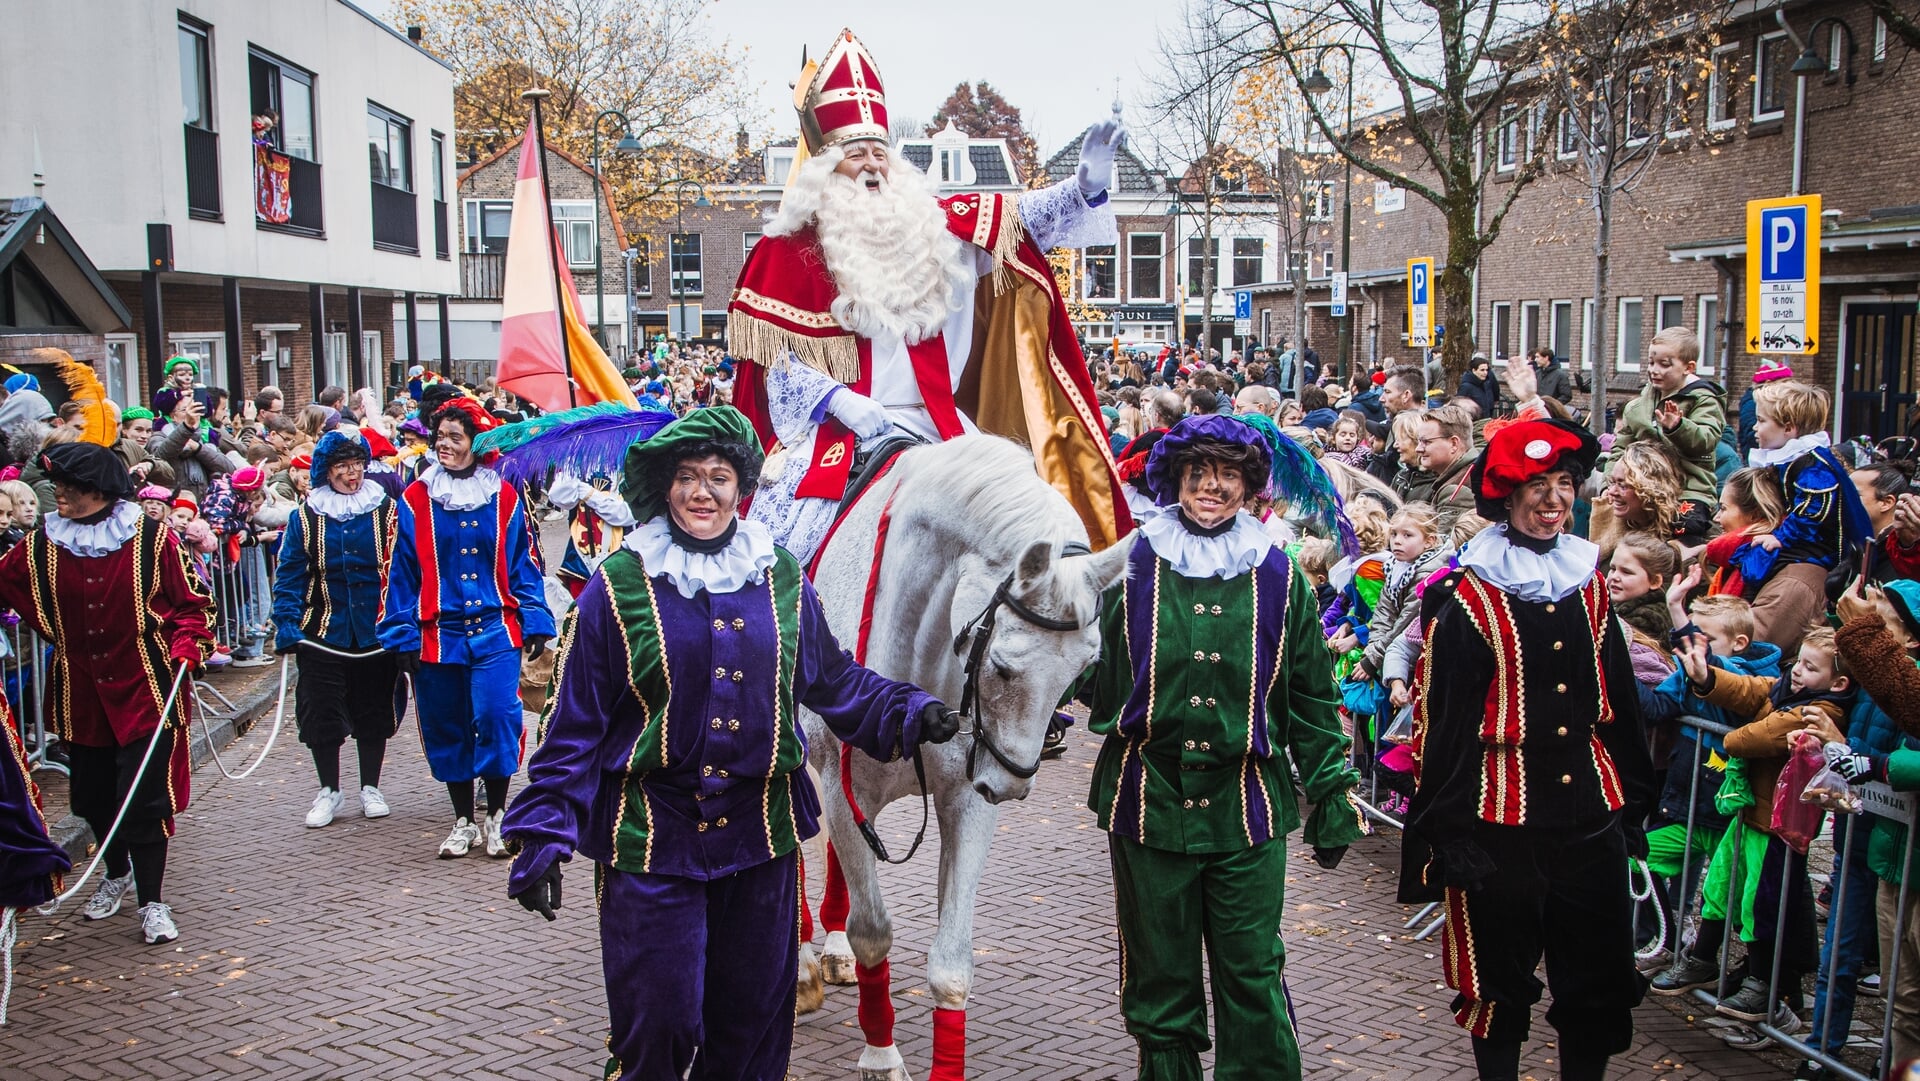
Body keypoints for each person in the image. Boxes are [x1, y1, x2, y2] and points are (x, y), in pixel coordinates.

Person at [501, 407, 959, 1080]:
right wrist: (544, 831)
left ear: (740, 487)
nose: (702, 492)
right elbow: (576, 729)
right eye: (687, 477)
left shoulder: (778, 577)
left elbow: (833, 681)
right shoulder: (618, 586)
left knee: (750, 1031)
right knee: (660, 1024)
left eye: (719, 476)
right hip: (651, 841)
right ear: (665, 487)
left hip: (759, 843)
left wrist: (910, 710)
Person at [725, 30, 1128, 562]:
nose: (871, 164)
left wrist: (1084, 188)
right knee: (787, 558)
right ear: (825, 166)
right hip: (841, 433)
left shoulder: (934, 229)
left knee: (1024, 531)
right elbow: (774, 364)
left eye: (878, 152)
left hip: (939, 430)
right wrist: (838, 400)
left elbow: (1020, 222)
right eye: (854, 154)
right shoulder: (790, 249)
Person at [1078, 414, 1366, 1081]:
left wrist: (1329, 791)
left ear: (1250, 486)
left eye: (1228, 474)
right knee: (1159, 979)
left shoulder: (1281, 574)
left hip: (1248, 808)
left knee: (1252, 968)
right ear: (1176, 478)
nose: (1212, 486)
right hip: (1146, 801)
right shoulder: (1131, 563)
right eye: (1199, 472)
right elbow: (1087, 668)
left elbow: (1312, 694)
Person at [1403, 418, 1655, 1081]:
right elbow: (1444, 726)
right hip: (1499, 824)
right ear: (1506, 498)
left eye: (1564, 484)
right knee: (1499, 982)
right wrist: (1447, 833)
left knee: (1598, 978)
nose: (1553, 500)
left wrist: (1632, 805)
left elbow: (1620, 702)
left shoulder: (1587, 580)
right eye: (1536, 486)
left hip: (1590, 816)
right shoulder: (1468, 597)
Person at [0, 443, 213, 945]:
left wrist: (187, 649)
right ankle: (115, 871)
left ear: (94, 491)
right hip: (81, 696)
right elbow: (6, 581)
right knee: (92, 799)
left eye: (64, 490)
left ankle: (153, 901)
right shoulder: (42, 543)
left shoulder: (152, 539)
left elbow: (194, 606)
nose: (56, 498)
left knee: (145, 800)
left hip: (147, 690)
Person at [379, 398, 555, 859]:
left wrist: (534, 616)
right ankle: (463, 820)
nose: (445, 446)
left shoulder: (506, 497)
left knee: (497, 716)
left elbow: (525, 563)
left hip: (497, 629)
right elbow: (401, 572)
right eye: (440, 438)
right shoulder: (416, 499)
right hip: (437, 635)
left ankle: (496, 815)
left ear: (476, 443)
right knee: (447, 725)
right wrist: (400, 632)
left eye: (455, 437)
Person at [273, 430, 402, 828]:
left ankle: (370, 787)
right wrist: (287, 622)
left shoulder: (388, 510)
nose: (353, 475)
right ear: (326, 472)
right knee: (321, 712)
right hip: (322, 631)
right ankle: (329, 788)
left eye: (358, 465)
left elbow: (404, 570)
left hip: (374, 632)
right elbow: (290, 574)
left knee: (374, 707)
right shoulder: (305, 516)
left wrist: (403, 621)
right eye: (343, 467)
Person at [1599, 327, 1724, 541]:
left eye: (1664, 364)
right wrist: (1609, 484)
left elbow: (1707, 439)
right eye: (1651, 363)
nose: (1654, 370)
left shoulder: (1703, 400)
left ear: (1688, 367)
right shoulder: (1637, 407)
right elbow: (1620, 448)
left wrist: (1678, 427)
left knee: (1686, 526)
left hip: (1688, 488)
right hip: (1642, 489)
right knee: (1611, 523)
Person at [1457, 355, 1498, 419]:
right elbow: (1459, 407)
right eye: (1482, 370)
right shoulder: (1466, 387)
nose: (1485, 373)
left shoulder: (1485, 383)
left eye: (1487, 370)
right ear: (1474, 370)